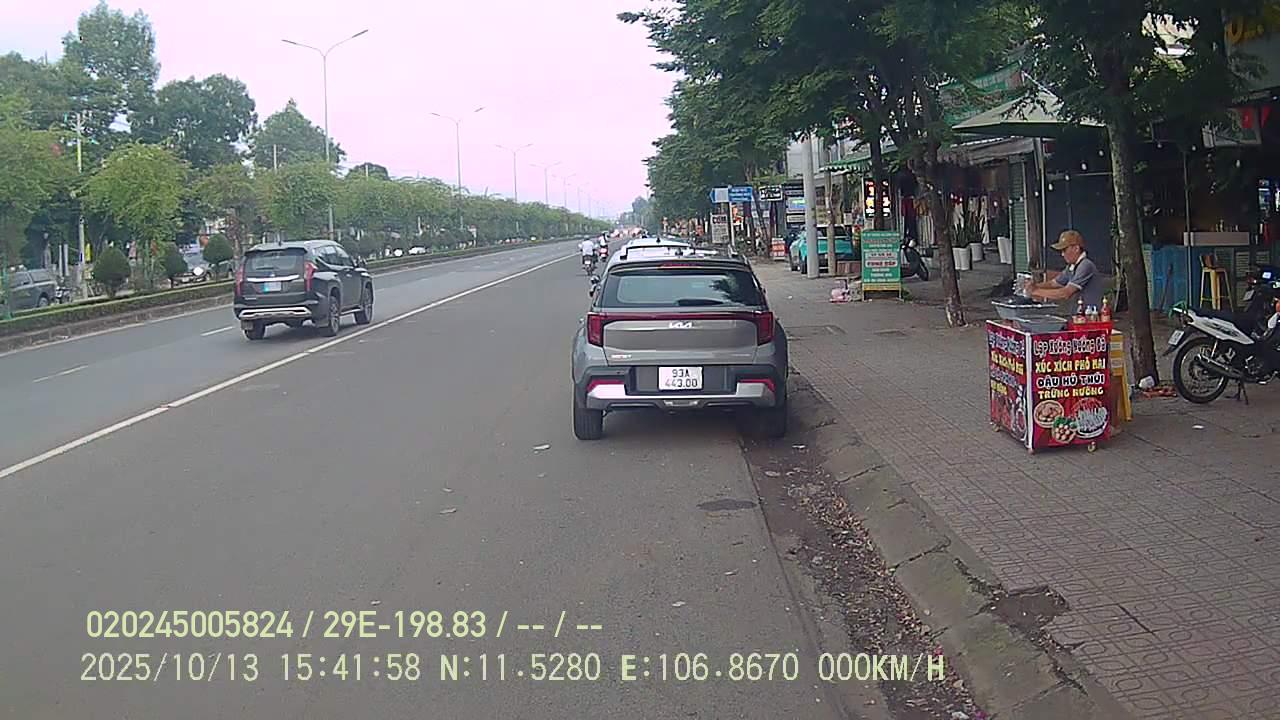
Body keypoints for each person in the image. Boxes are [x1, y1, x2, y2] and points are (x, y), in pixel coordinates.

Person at [1023, 230, 1104, 311]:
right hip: (1079, 313)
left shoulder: (1085, 265)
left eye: (1064, 250)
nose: (1062, 254)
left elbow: (1066, 293)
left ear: (1076, 248)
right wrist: (1034, 286)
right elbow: (1054, 283)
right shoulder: (1072, 266)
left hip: (1091, 314)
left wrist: (1035, 291)